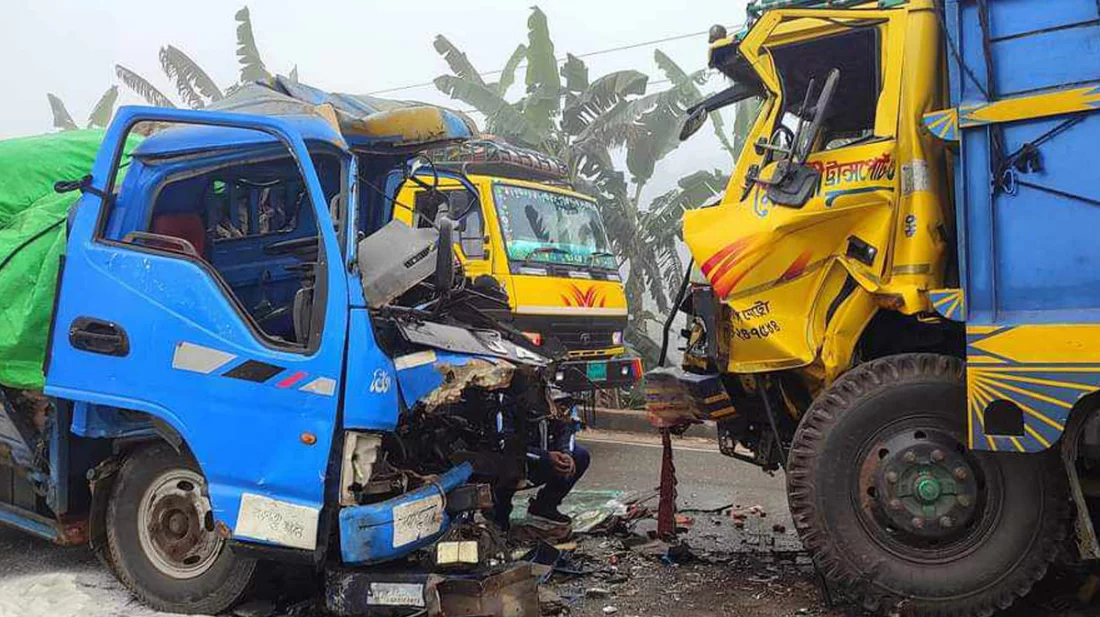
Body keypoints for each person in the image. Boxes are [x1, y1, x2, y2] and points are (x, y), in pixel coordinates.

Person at [492, 395, 591, 529]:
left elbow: (566, 428)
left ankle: (545, 507)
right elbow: (503, 444)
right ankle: (497, 514)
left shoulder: (554, 392)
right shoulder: (505, 399)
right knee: (507, 465)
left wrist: (566, 453)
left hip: (541, 460)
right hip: (512, 461)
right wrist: (545, 456)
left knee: (580, 456)